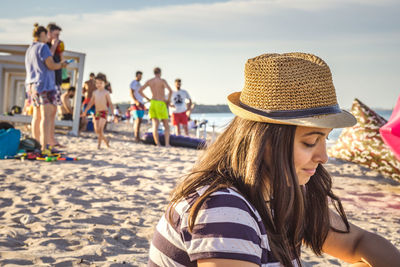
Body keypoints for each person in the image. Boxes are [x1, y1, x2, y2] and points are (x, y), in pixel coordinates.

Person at [148, 53, 400, 267]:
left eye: (326, 139)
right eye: (310, 141)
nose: (323, 156)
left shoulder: (280, 194)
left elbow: (357, 242)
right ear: (266, 141)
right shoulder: (222, 209)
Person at [25, 23, 67, 152]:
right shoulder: (43, 47)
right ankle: (44, 147)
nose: (47, 38)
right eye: (46, 35)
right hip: (44, 85)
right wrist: (62, 65)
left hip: (32, 86)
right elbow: (51, 65)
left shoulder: (29, 49)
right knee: (46, 117)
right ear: (42, 35)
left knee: (36, 117)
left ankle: (35, 145)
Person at [139, 67, 172, 147]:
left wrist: (147, 98)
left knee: (155, 125)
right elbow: (170, 91)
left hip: (153, 102)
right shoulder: (162, 81)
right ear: (160, 73)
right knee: (166, 125)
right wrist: (168, 100)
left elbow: (140, 90)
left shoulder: (150, 81)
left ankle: (158, 144)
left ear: (154, 73)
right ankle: (167, 144)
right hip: (161, 102)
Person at [81, 73, 113, 149]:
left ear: (105, 83)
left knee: (101, 128)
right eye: (97, 83)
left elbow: (110, 103)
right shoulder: (94, 93)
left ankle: (99, 145)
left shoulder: (106, 92)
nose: (98, 85)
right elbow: (90, 103)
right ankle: (106, 140)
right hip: (97, 112)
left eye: (101, 83)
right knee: (97, 130)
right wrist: (85, 111)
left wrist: (112, 114)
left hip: (104, 112)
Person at [46, 22, 64, 147]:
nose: (57, 38)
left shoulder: (56, 46)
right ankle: (49, 140)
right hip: (50, 82)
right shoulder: (45, 46)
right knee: (49, 113)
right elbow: (47, 59)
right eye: (55, 34)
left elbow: (60, 61)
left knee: (54, 112)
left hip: (57, 81)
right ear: (49, 33)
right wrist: (53, 46)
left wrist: (61, 53)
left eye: (58, 35)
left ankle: (52, 139)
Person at [130, 71, 145, 141]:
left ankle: (137, 136)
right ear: (136, 75)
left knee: (140, 120)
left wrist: (147, 98)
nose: (140, 77)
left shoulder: (139, 84)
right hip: (135, 103)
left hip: (141, 103)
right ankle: (136, 136)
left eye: (141, 76)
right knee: (137, 120)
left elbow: (141, 93)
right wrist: (136, 101)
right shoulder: (133, 83)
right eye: (139, 76)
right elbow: (131, 93)